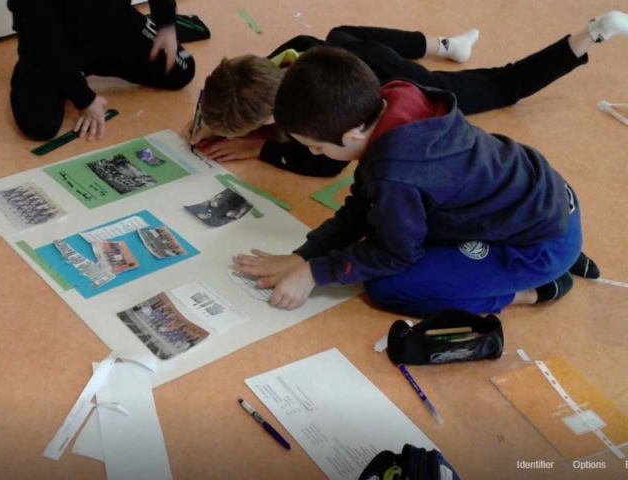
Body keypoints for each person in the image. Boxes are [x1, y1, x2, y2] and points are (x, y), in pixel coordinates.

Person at [231, 11, 628, 317]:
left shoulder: (397, 173)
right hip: (541, 196)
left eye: (316, 148)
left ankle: (536, 289)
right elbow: (364, 203)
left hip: (539, 244)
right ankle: (537, 263)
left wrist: (316, 274)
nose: (316, 154)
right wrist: (306, 255)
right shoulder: (394, 98)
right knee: (394, 231)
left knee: (390, 288)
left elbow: (396, 252)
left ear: (353, 135)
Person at [192, 11, 625, 179]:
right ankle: (445, 44)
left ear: (278, 116)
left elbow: (322, 164)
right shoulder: (274, 62)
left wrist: (258, 147)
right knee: (338, 33)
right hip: (352, 49)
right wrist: (207, 120)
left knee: (500, 86)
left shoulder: (316, 116)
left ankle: (592, 34)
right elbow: (236, 86)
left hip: (398, 77)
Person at [8, 0, 196, 142]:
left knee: (180, 69)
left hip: (113, 26)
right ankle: (61, 74)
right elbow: (41, 32)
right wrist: (83, 98)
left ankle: (84, 70)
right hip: (54, 42)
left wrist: (166, 24)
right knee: (39, 126)